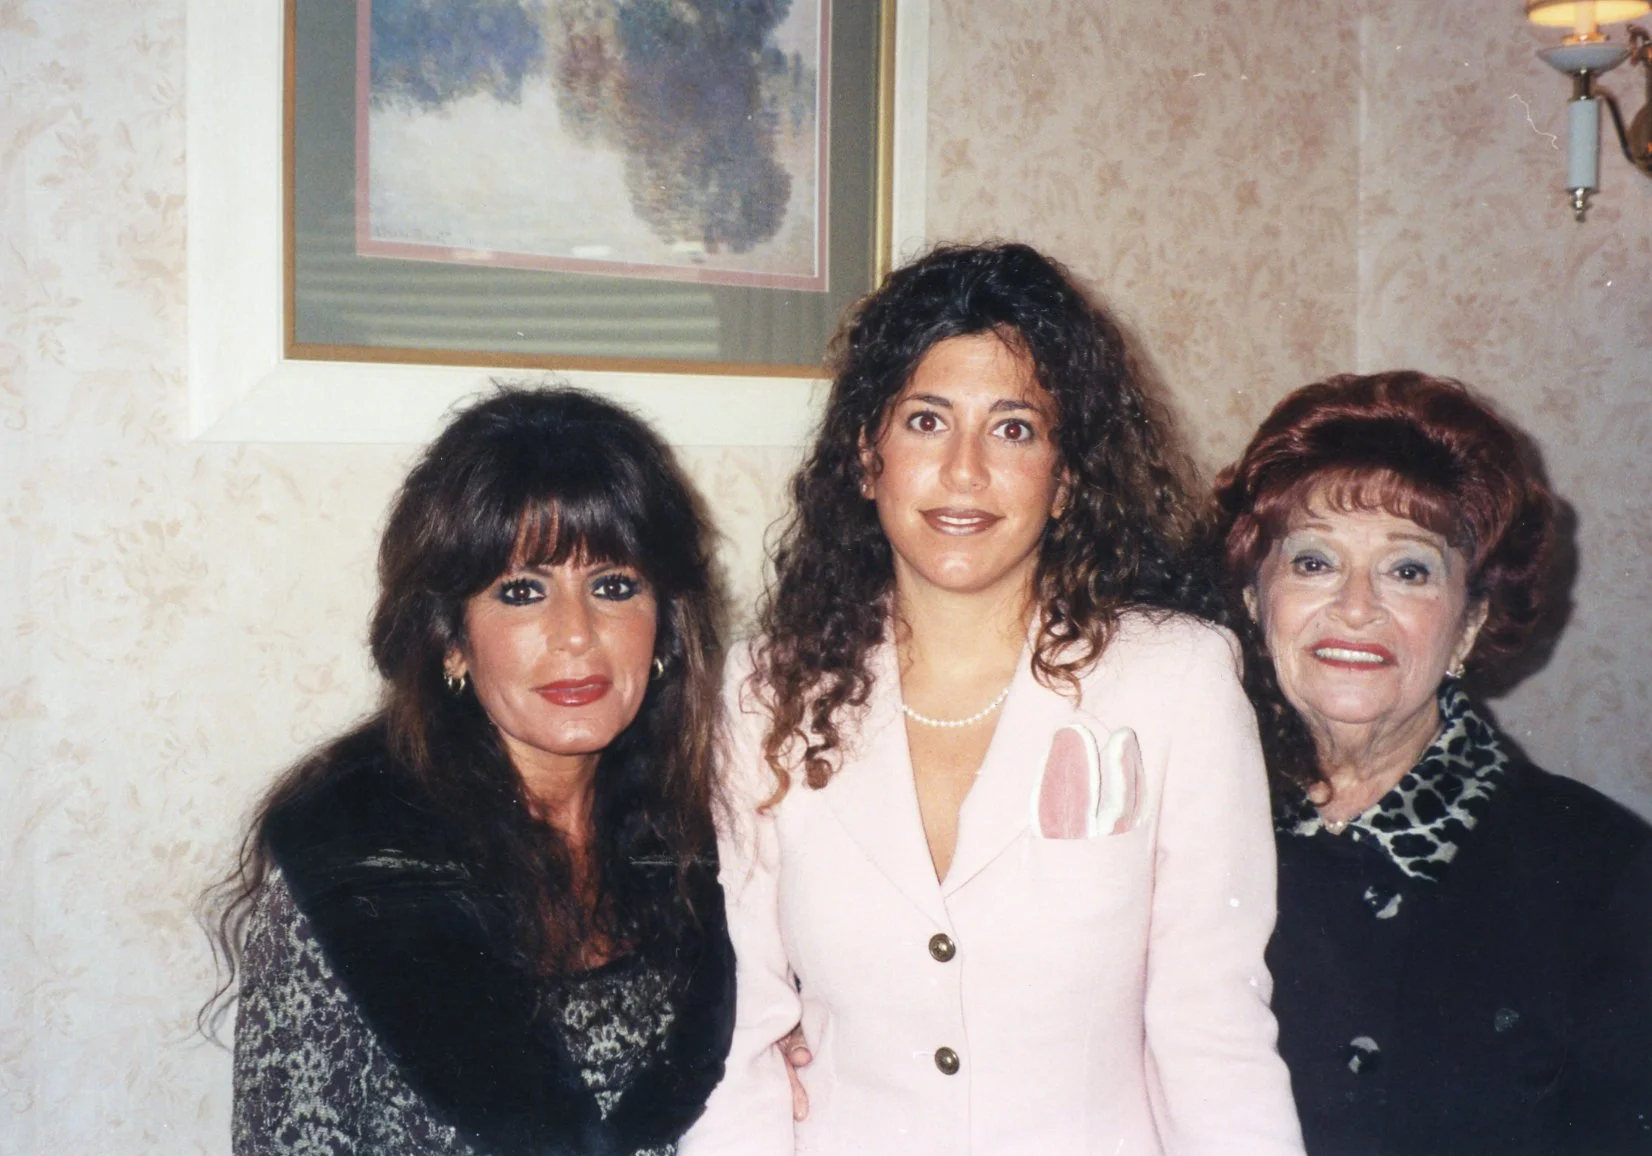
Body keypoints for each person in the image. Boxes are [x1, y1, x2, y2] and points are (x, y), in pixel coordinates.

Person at [682, 243, 1305, 1155]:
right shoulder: (760, 695)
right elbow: (739, 1037)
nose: (965, 471)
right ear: (867, 458)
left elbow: (1214, 1029)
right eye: (926, 422)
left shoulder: (1178, 681)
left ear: (1067, 477)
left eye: (1013, 429)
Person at [202, 387, 735, 1156]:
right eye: (522, 592)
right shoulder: (353, 864)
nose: (577, 635)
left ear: (666, 629)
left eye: (614, 586)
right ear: (451, 640)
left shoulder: (717, 833)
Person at [1213, 371, 1652, 1155]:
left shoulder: (1605, 873)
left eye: (1408, 571)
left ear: (1470, 622)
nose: (1355, 607)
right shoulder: (1191, 830)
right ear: (1255, 600)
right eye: (1313, 563)